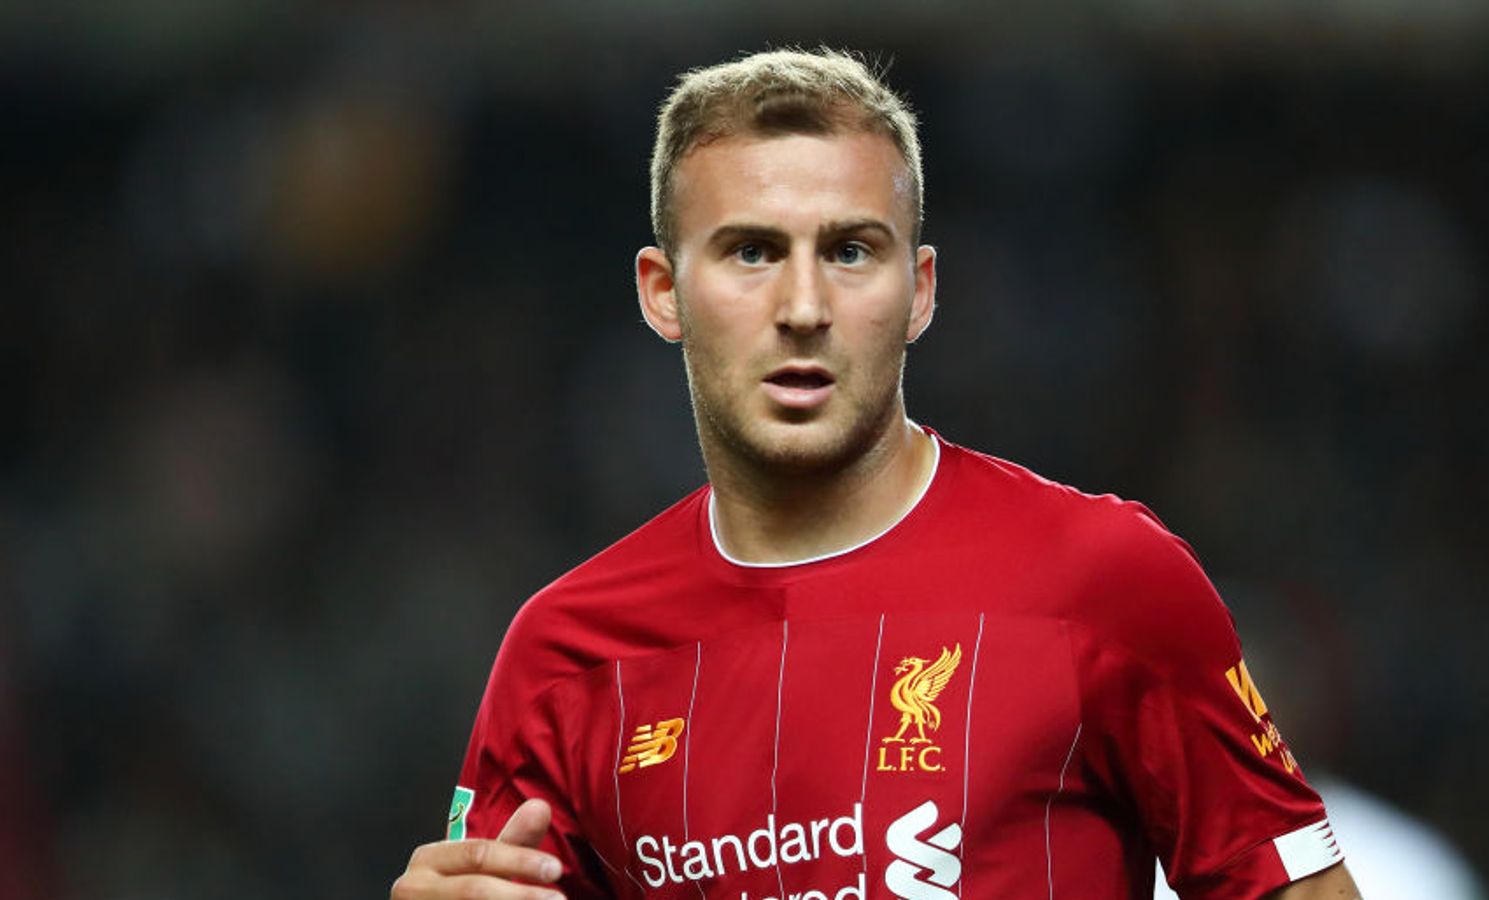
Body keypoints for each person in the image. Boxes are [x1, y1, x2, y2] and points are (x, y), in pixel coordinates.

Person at [391, 48, 1361, 900]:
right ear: (663, 292)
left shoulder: (1104, 580)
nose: (803, 305)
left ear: (920, 291)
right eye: (751, 252)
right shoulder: (566, 659)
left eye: (850, 251)